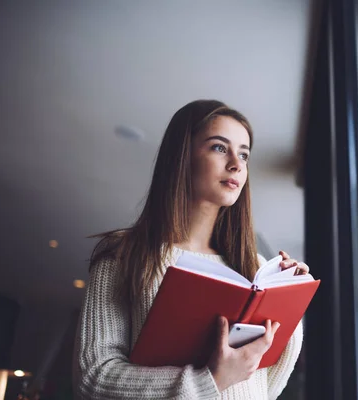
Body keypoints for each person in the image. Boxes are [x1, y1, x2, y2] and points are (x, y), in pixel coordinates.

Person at [73, 100, 310, 399]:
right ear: (182, 156)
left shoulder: (254, 266)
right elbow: (93, 377)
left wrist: (290, 302)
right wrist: (209, 381)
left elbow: (261, 386)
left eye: (244, 154)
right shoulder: (124, 254)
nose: (236, 163)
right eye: (219, 148)